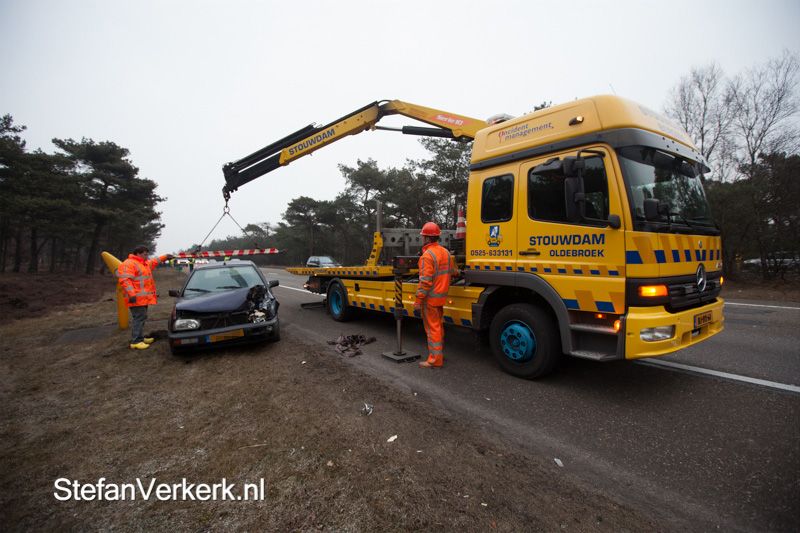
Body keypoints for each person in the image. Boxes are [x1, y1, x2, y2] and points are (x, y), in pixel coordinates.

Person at [413, 222, 458, 369]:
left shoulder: (427, 256)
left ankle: (435, 360)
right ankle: (439, 355)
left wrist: (417, 302)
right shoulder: (445, 252)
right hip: (441, 298)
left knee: (432, 329)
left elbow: (425, 283)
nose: (422, 239)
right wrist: (460, 273)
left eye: (423, 237)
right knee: (438, 326)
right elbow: (452, 271)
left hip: (430, 300)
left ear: (427, 238)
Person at [116, 245, 173, 350]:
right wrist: (131, 294)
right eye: (145, 255)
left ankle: (140, 338)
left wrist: (165, 257)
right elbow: (125, 280)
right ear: (138, 254)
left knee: (141, 317)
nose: (147, 257)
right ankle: (136, 341)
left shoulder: (143, 263)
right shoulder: (129, 264)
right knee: (138, 319)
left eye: (147, 255)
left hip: (142, 298)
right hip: (136, 298)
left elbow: (154, 262)